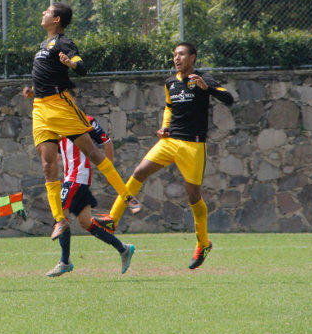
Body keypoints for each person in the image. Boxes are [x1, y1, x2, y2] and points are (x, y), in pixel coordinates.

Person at [97, 42, 234, 269]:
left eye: (181, 54)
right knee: (139, 171)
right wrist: (164, 127)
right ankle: (113, 218)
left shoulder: (204, 78)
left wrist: (205, 88)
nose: (176, 58)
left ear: (192, 57)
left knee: (193, 196)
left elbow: (228, 98)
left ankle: (203, 242)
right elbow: (169, 107)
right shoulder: (170, 82)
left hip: (193, 145)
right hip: (169, 141)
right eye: (174, 55)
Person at [20, 2, 138, 241]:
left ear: (56, 20)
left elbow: (82, 67)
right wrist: (34, 91)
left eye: (47, 11)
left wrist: (71, 63)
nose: (43, 12)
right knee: (47, 166)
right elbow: (47, 74)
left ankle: (126, 196)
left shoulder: (64, 42)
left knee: (93, 153)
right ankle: (59, 220)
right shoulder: (43, 45)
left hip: (61, 106)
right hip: (40, 109)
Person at [46, 116, 135, 277]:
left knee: (61, 216)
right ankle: (124, 249)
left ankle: (64, 262)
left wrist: (110, 171)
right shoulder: (56, 124)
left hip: (77, 176)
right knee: (85, 222)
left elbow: (106, 142)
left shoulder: (84, 120)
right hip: (70, 177)